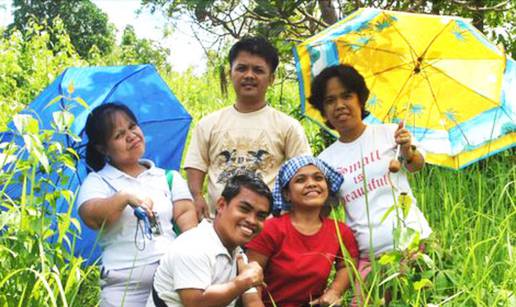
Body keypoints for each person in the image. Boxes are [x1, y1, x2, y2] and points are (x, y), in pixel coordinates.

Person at [308, 64, 432, 299]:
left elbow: (416, 165)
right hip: (368, 257)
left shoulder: (390, 134)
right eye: (330, 100)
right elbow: (324, 210)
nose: (340, 105)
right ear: (323, 110)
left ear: (360, 99)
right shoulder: (324, 160)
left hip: (414, 246)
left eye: (346, 96)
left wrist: (406, 148)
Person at [77, 103, 198, 307]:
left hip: (170, 283)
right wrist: (124, 197)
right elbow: (92, 217)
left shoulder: (168, 177)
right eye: (118, 135)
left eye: (133, 127)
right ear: (102, 148)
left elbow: (186, 215)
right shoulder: (98, 181)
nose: (131, 136)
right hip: (121, 289)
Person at [184, 36, 312, 220]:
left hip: (268, 227)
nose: (249, 75)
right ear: (231, 74)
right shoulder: (209, 124)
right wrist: (196, 196)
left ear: (271, 78)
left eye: (258, 70)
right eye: (242, 68)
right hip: (217, 224)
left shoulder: (288, 126)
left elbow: (302, 173)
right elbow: (196, 164)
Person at [245, 156, 359, 307]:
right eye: (300, 180)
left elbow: (347, 265)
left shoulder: (339, 231)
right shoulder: (270, 229)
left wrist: (335, 291)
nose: (311, 184)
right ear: (286, 194)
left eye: (318, 178)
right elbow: (250, 278)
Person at [148, 173, 272, 307]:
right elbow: (195, 303)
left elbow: (252, 301)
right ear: (221, 205)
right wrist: (245, 281)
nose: (252, 221)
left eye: (260, 216)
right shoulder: (193, 245)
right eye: (244, 209)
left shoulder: (237, 253)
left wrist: (248, 280)